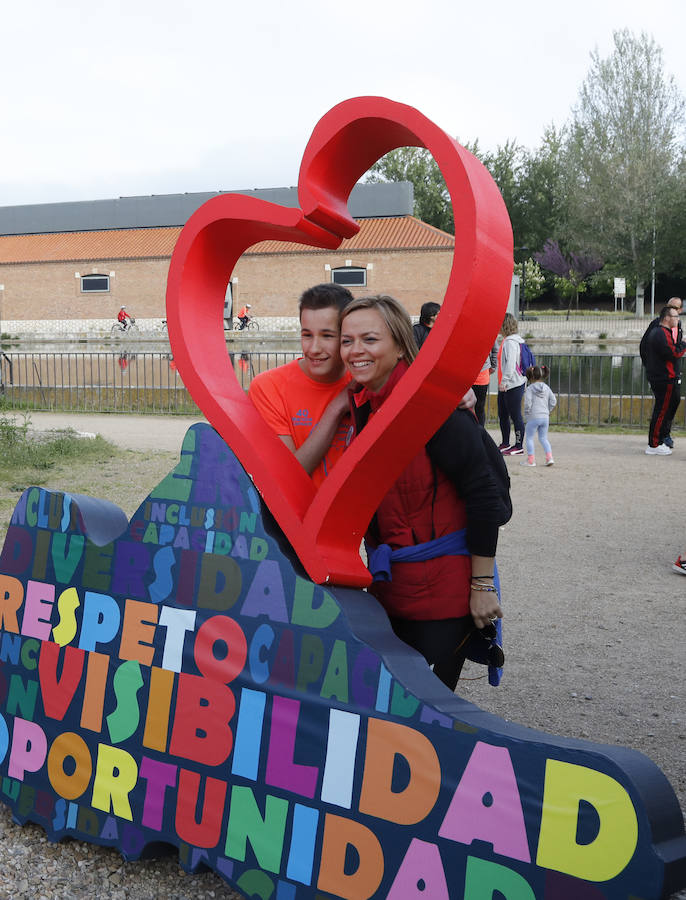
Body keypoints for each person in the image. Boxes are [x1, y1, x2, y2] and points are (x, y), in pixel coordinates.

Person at [339, 294, 512, 691]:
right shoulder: (365, 405)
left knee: (424, 710)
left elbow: (486, 494)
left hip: (444, 594)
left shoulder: (434, 406)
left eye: (369, 339)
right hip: (393, 588)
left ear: (400, 344)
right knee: (395, 705)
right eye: (347, 341)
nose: (355, 350)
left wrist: (482, 586)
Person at [249, 284, 353, 488]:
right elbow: (289, 476)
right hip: (298, 517)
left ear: (346, 336)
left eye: (327, 336)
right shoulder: (269, 386)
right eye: (307, 335)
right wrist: (337, 408)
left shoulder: (366, 379)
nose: (314, 348)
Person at [640, 297, 683, 448]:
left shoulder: (678, 325)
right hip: (662, 374)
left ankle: (664, 434)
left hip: (673, 372)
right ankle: (658, 439)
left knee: (674, 401)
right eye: (671, 308)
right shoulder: (657, 327)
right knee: (663, 405)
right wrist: (650, 367)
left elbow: (675, 350)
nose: (675, 314)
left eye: (677, 309)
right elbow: (646, 346)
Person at [497, 313, 527, 455]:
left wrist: (504, 381)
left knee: (515, 415)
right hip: (513, 383)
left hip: (512, 384)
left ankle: (518, 446)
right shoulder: (516, 340)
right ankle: (505, 443)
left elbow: (510, 365)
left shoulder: (510, 342)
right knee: (503, 414)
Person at [521, 365, 556, 467]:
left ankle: (531, 460)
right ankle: (549, 458)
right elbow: (553, 401)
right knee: (544, 438)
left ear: (531, 376)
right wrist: (547, 410)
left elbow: (528, 403)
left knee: (529, 438)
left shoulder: (530, 389)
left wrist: (527, 413)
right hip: (545, 417)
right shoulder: (547, 388)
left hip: (533, 417)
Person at [472, 342, 498, 427]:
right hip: (465, 373)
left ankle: (480, 434)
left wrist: (493, 366)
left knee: (479, 407)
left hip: (481, 374)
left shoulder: (487, 330)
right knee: (465, 408)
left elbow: (495, 349)